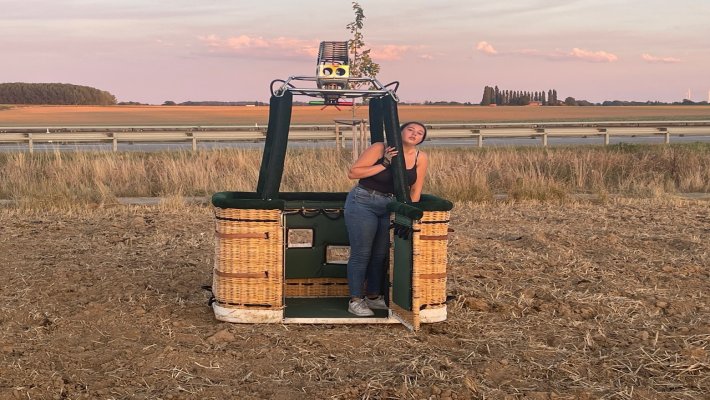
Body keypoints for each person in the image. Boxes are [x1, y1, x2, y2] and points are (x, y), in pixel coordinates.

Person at [344, 121, 429, 316]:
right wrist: (384, 163)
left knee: (380, 255)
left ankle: (373, 296)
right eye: (410, 129)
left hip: (389, 205)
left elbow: (415, 189)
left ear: (421, 139)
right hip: (363, 201)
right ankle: (356, 299)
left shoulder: (420, 157)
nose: (414, 134)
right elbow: (353, 173)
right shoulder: (380, 148)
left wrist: (409, 212)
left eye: (419, 133)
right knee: (361, 253)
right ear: (399, 131)